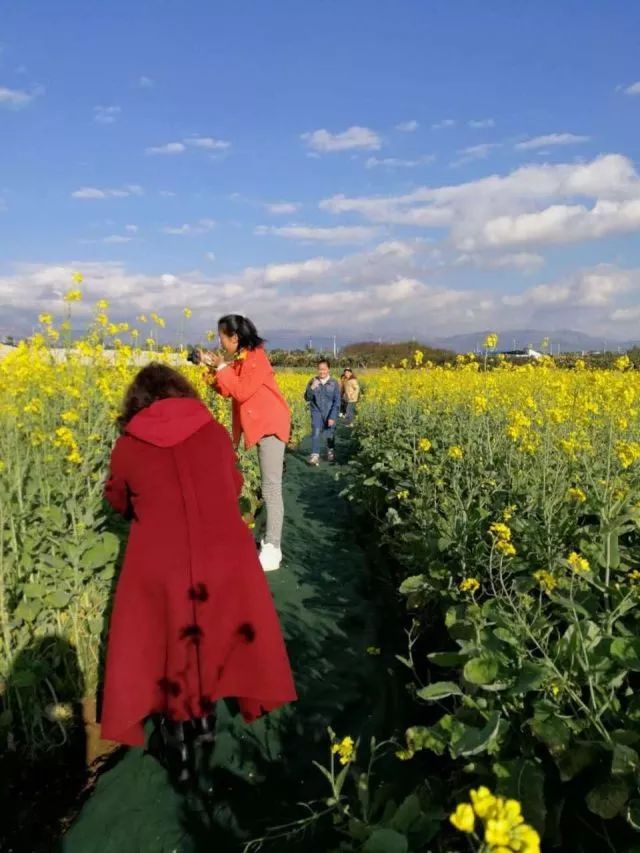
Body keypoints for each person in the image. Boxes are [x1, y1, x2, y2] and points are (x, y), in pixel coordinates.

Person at [101, 363, 296, 777]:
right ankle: (205, 729)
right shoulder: (212, 432)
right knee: (211, 633)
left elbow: (118, 500)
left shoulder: (129, 445)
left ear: (137, 402)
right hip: (225, 555)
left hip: (158, 561)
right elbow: (234, 485)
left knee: (168, 641)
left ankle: (179, 752)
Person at [200, 315, 290, 573]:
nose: (220, 342)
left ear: (235, 337)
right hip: (258, 425)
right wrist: (208, 369)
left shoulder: (256, 358)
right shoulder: (241, 360)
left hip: (271, 425)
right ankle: (268, 541)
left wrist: (221, 368)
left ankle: (273, 548)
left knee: (271, 487)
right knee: (267, 485)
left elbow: (241, 391)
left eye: (222, 337)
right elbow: (227, 389)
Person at [304, 359, 341, 466]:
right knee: (315, 432)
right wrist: (312, 388)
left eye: (324, 369)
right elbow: (307, 398)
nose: (322, 372)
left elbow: (337, 401)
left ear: (328, 369)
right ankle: (315, 455)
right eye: (320, 369)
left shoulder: (334, 383)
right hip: (316, 411)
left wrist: (333, 416)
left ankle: (330, 450)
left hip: (330, 411)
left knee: (330, 432)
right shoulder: (312, 381)